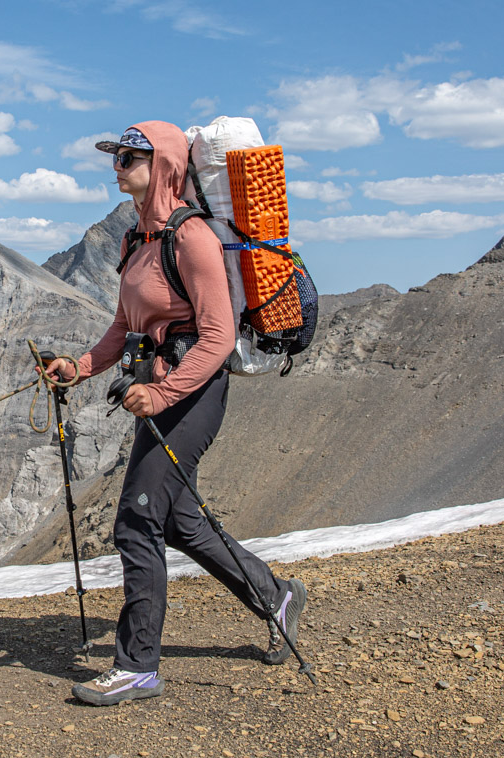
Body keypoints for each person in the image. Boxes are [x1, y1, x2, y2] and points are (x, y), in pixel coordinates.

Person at [41, 121, 306, 707]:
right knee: (179, 521)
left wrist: (162, 395)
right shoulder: (135, 239)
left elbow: (216, 337)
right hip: (156, 392)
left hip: (191, 395)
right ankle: (276, 597)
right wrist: (79, 366)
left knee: (137, 519)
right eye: (113, 156)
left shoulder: (191, 239)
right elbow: (124, 325)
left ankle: (137, 666)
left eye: (129, 156)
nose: (117, 166)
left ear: (161, 163)